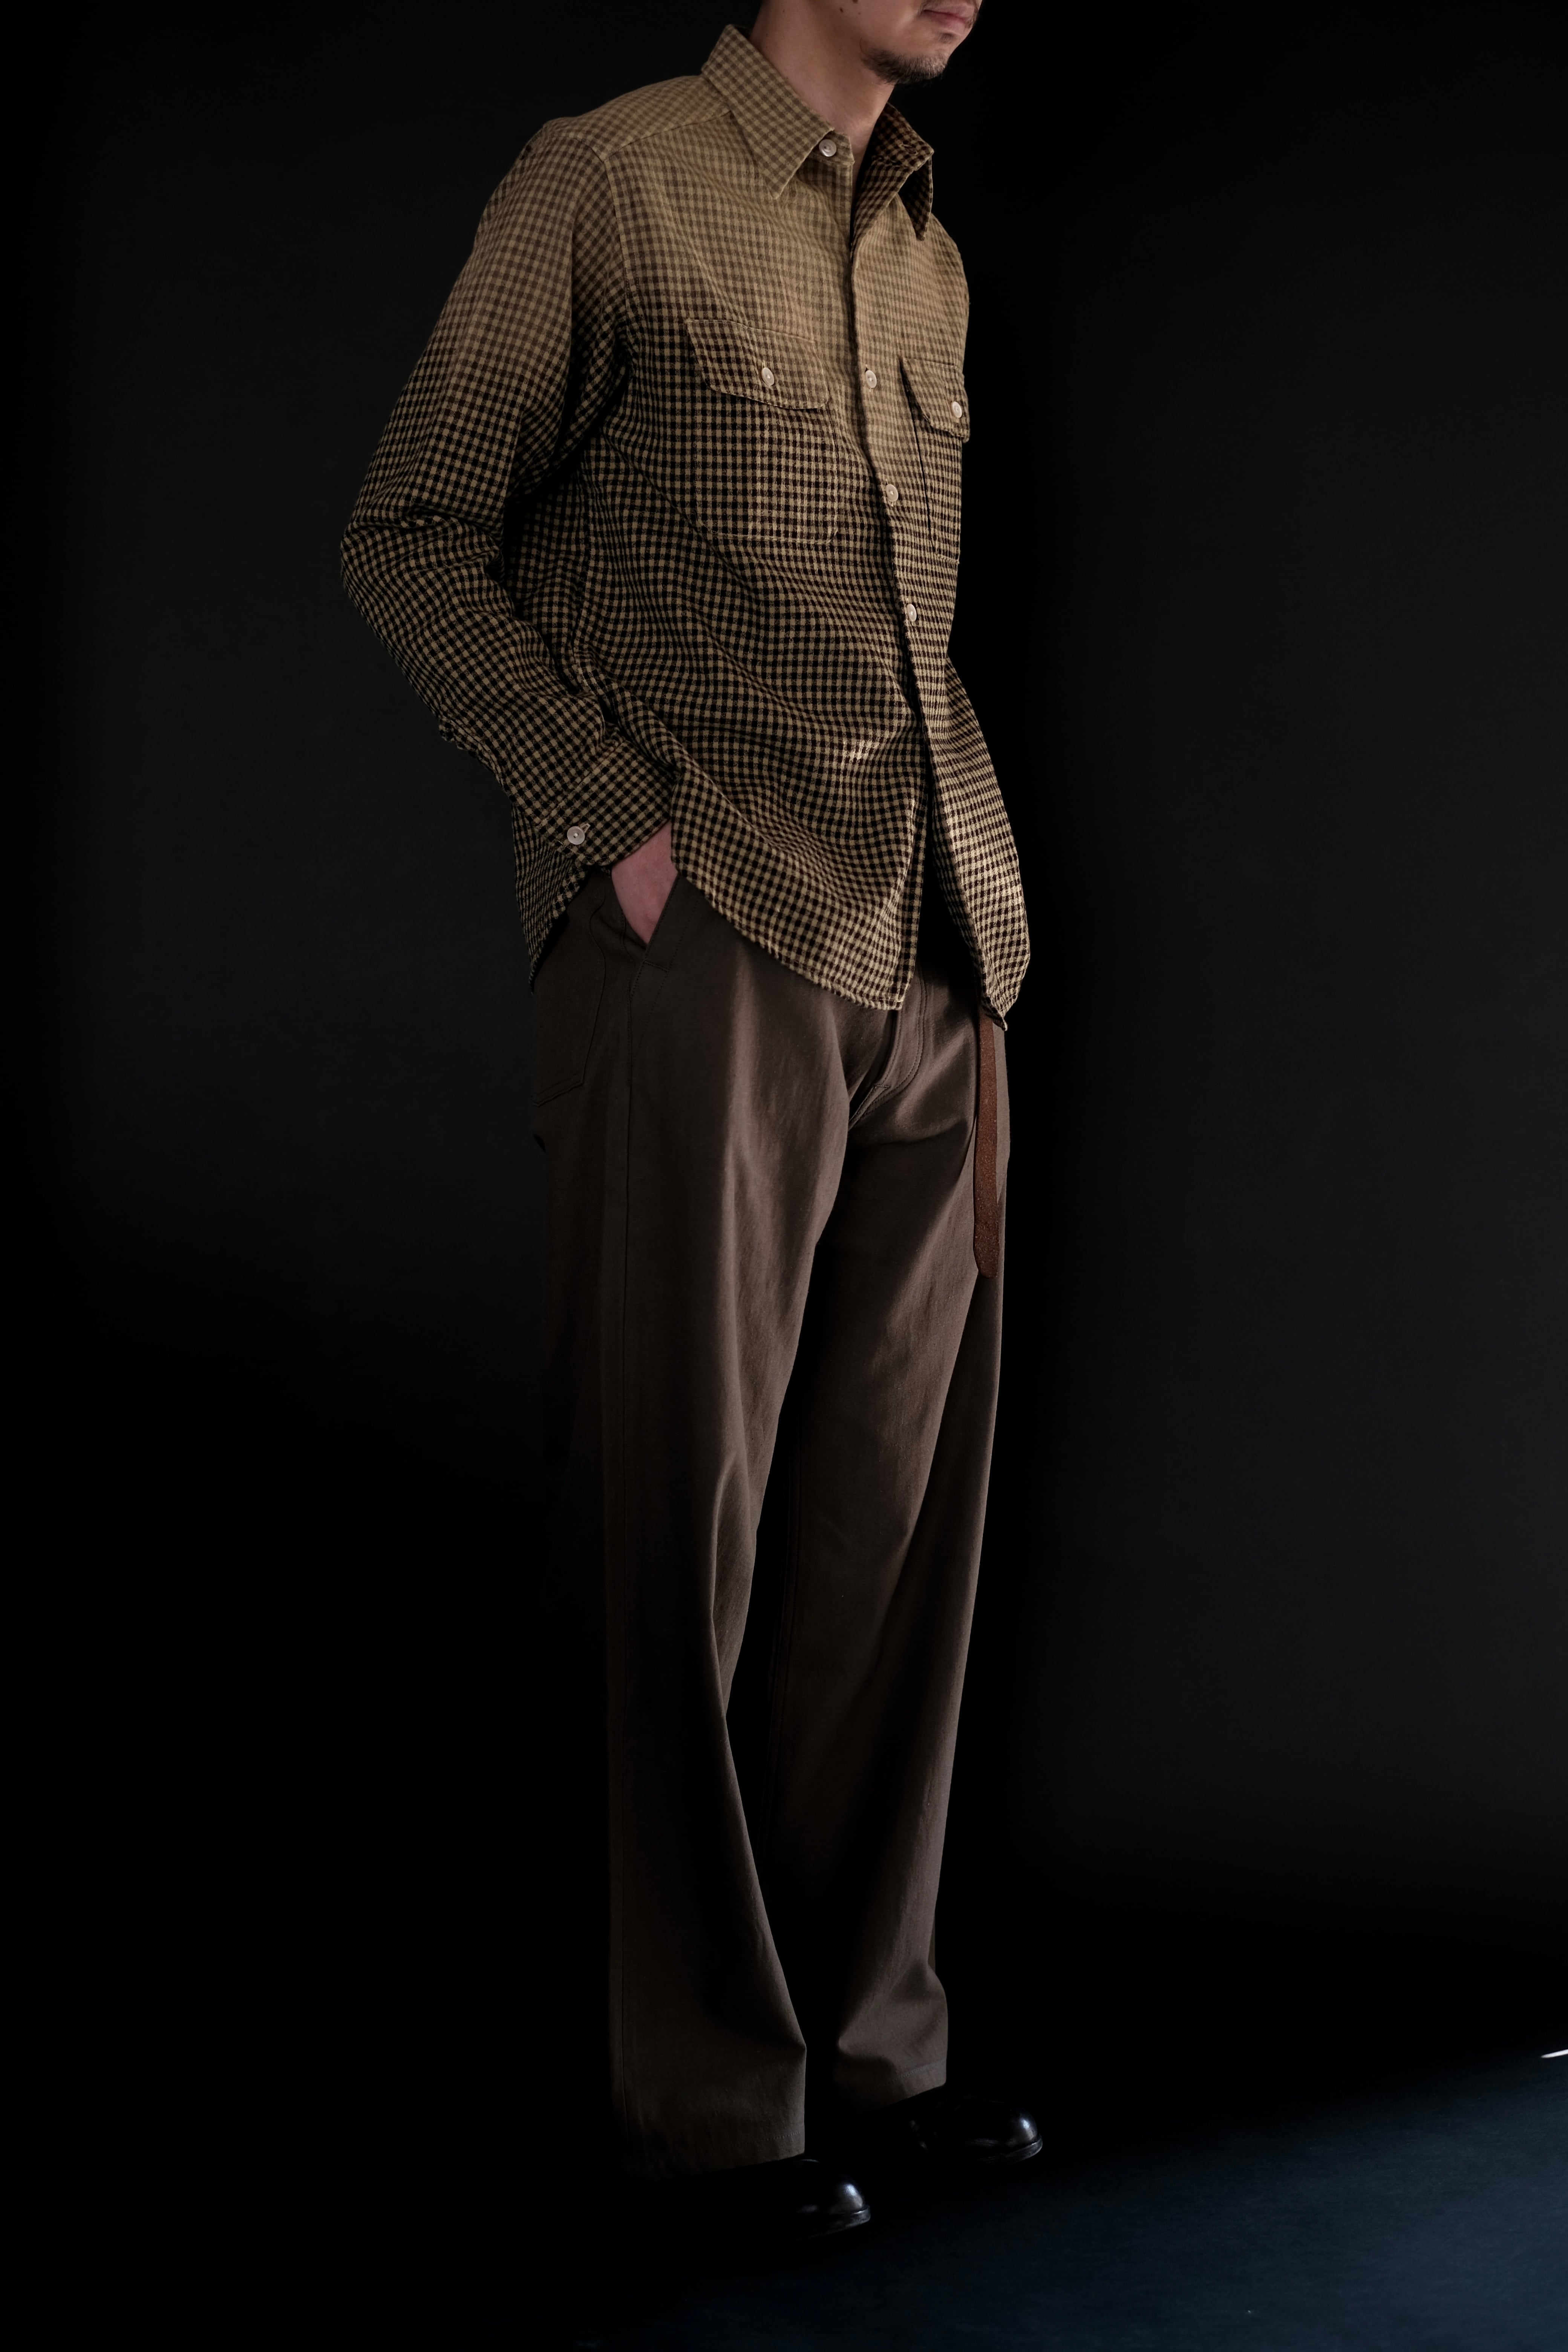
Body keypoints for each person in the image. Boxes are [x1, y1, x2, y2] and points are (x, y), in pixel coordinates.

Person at [342, 0, 1035, 2246]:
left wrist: (964, 916)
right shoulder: (610, 178)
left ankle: (867, 2049)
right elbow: (409, 531)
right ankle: (702, 2105)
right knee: (674, 1528)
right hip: (706, 931)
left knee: (888, 1544)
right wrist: (611, 826)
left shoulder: (928, 250)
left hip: (934, 947)